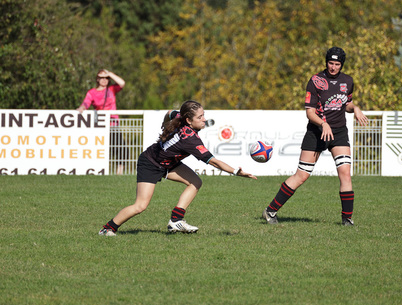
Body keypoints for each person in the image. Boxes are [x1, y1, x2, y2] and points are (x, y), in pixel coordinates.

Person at [99, 100, 257, 236]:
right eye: (200, 117)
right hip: (150, 163)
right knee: (140, 206)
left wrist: (164, 122)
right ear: (189, 120)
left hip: (167, 163)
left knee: (195, 182)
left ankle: (176, 220)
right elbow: (213, 162)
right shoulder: (191, 140)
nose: (204, 119)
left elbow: (169, 113)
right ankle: (108, 229)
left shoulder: (180, 117)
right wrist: (237, 172)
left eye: (204, 115)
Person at [263, 47, 368, 226]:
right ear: (326, 62)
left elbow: (346, 103)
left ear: (342, 64)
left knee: (345, 174)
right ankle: (270, 211)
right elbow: (310, 112)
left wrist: (355, 108)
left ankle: (347, 219)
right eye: (330, 63)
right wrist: (323, 123)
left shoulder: (347, 81)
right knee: (302, 175)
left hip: (339, 132)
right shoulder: (316, 81)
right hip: (316, 132)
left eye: (337, 64)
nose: (333, 67)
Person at [77, 69, 127, 175]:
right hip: (100, 125)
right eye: (101, 78)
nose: (104, 80)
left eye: (106, 78)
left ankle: (119, 172)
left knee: (121, 148)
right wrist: (80, 109)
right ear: (97, 79)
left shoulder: (112, 89)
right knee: (99, 149)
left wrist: (110, 73)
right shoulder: (92, 93)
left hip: (113, 125)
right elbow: (85, 104)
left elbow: (122, 83)